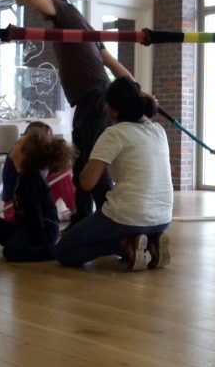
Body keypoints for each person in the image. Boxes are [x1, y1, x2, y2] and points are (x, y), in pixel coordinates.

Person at [0, 0, 135, 227]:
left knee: (92, 167)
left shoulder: (67, 12)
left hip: (95, 99)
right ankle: (86, 221)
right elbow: (110, 62)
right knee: (83, 166)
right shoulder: (78, 26)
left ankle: (114, 225)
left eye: (42, 3)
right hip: (90, 101)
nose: (39, 12)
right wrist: (136, 88)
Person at [55, 77, 173, 271]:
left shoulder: (113, 134)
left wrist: (81, 159)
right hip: (163, 219)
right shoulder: (158, 130)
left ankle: (125, 244)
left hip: (127, 216)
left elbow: (87, 183)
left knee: (63, 252)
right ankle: (151, 241)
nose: (104, 110)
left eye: (106, 104)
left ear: (115, 110)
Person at [0, 126, 75, 262]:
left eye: (19, 143)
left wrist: (27, 241)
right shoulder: (23, 176)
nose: (15, 144)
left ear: (24, 155)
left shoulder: (29, 181)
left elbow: (35, 218)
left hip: (42, 232)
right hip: (25, 226)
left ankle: (54, 251)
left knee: (11, 251)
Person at [0, 121, 75, 223]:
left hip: (34, 206)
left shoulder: (34, 157)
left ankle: (75, 211)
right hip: (17, 209)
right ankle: (73, 211)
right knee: (62, 173)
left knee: (63, 173)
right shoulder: (20, 156)